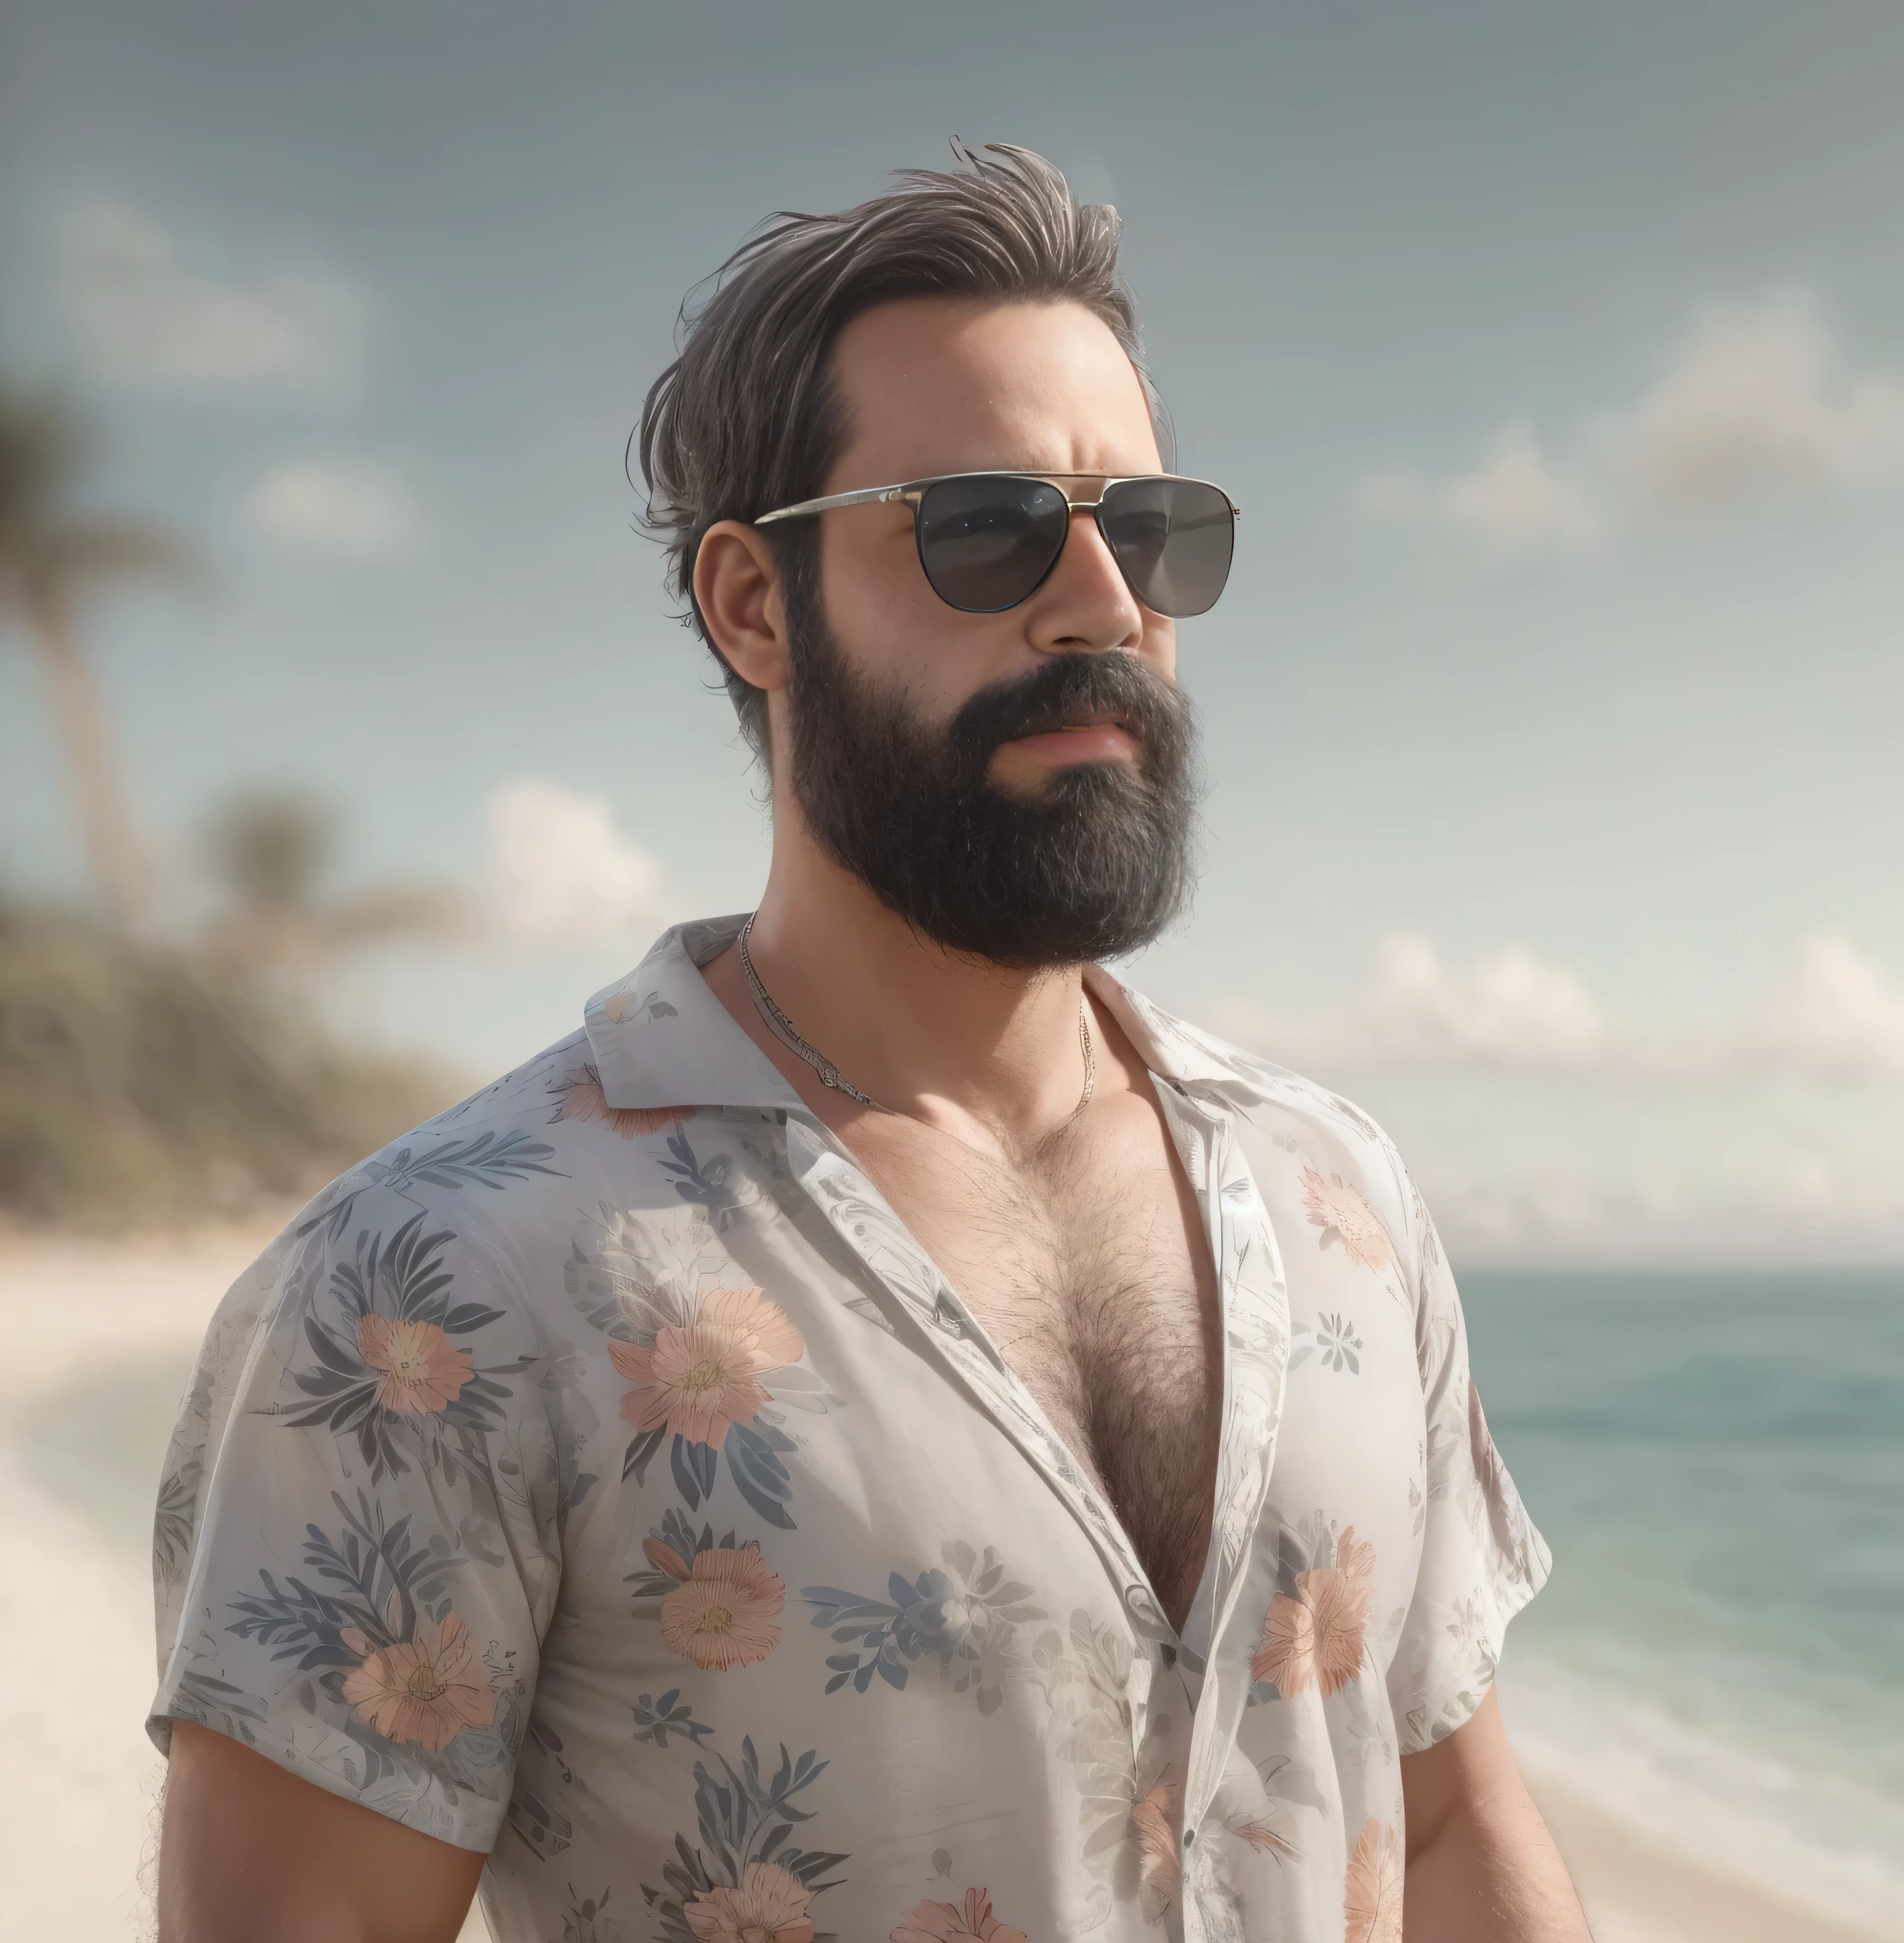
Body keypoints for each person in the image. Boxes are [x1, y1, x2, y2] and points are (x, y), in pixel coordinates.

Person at [154, 143, 1587, 1943]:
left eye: (1147, 532)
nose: (1100, 603)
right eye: (984, 529)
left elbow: (1451, 1822)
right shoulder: (431, 1292)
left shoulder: (1339, 1198)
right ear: (755, 604)